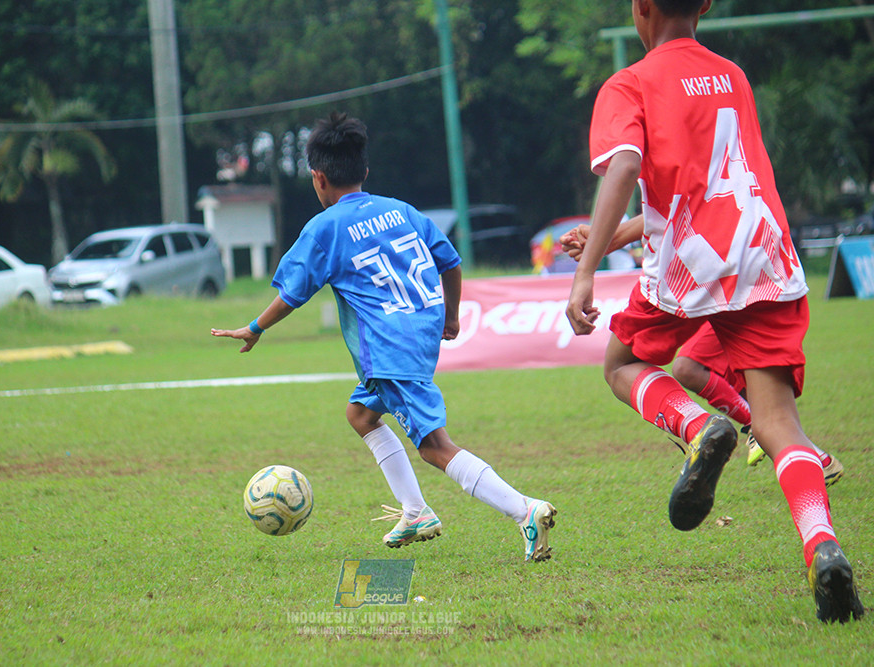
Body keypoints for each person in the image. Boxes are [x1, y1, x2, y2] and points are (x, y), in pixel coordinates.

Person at [565, 0, 863, 622]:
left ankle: (701, 430)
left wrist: (588, 267)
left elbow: (625, 165)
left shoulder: (631, 83)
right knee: (781, 421)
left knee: (622, 364)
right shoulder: (732, 75)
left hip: (691, 264)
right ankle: (822, 544)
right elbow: (711, 183)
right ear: (703, 5)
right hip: (765, 255)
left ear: (639, 8)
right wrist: (615, 237)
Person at [212, 112, 557, 562]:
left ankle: (524, 510)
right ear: (365, 172)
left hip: (389, 352)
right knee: (360, 415)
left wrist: (254, 328)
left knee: (435, 447)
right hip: (419, 338)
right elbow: (450, 262)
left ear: (318, 178)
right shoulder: (402, 210)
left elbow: (293, 294)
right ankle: (415, 511)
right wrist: (451, 316)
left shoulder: (325, 227)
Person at [560, 220, 844, 484]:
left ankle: (802, 456)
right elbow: (667, 202)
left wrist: (598, 248)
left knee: (624, 365)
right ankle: (818, 522)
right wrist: (603, 239)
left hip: (720, 270)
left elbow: (652, 192)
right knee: (689, 368)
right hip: (740, 267)